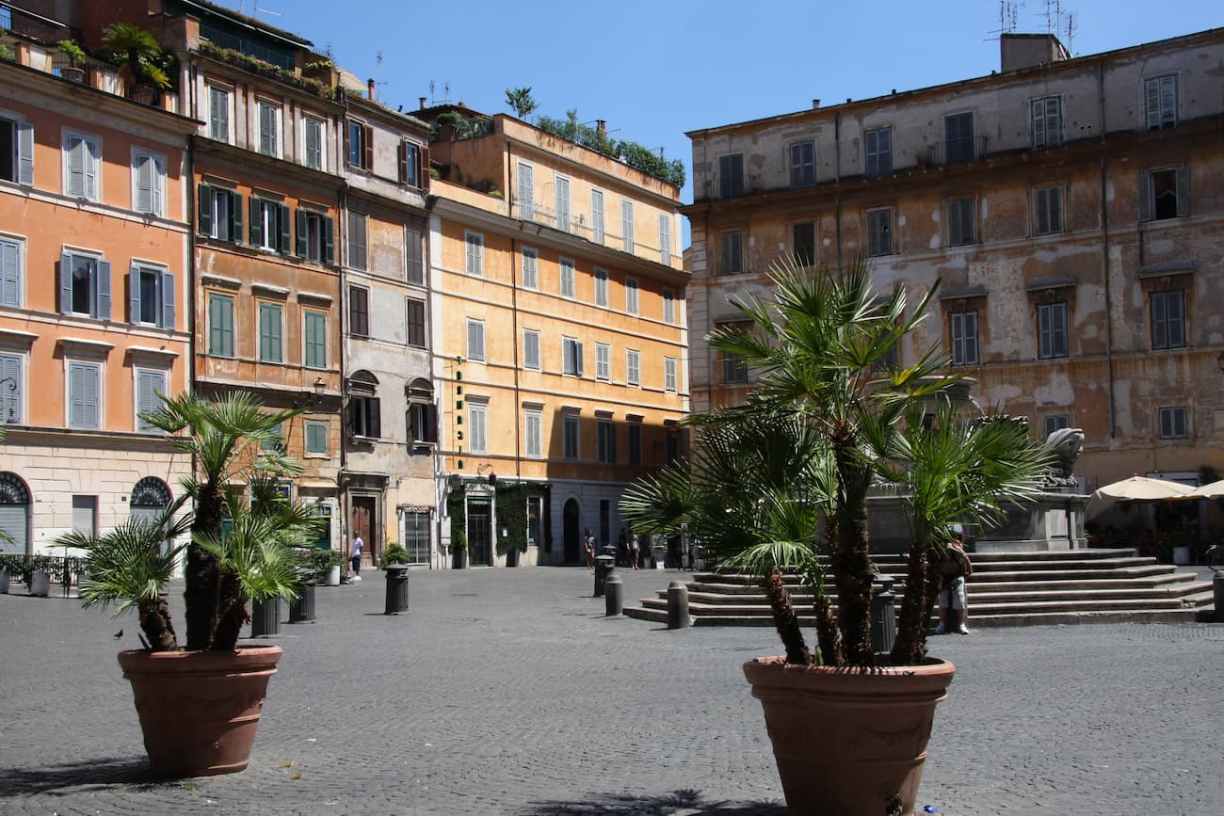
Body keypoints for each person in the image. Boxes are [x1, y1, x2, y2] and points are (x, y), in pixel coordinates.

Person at [935, 530, 972, 635]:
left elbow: (966, 560)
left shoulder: (959, 551)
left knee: (960, 599)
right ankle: (942, 624)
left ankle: (961, 624)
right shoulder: (943, 549)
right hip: (945, 577)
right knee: (943, 600)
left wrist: (961, 552)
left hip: (957, 576)